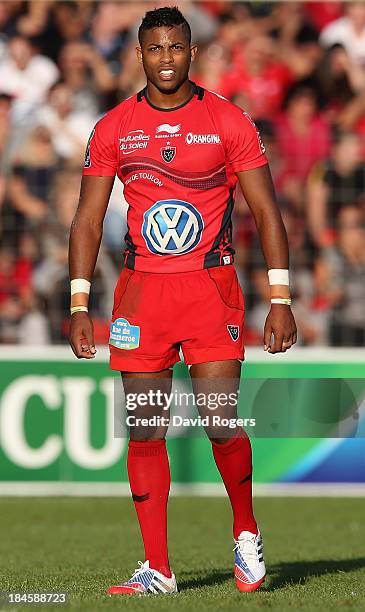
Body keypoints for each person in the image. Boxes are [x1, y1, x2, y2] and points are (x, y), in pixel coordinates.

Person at [68, 6, 296, 596]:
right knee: (145, 428)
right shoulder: (114, 126)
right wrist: (77, 303)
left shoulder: (228, 121)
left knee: (221, 420)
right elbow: (88, 219)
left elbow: (267, 211)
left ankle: (245, 532)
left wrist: (280, 296)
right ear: (139, 54)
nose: (166, 58)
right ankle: (158, 569)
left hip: (209, 289)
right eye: (155, 48)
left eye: (176, 47)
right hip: (141, 294)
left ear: (191, 52)